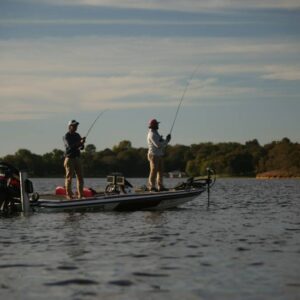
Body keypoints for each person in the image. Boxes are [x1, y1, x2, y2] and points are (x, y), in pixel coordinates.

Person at [63, 120, 86, 199]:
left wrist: (82, 143)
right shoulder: (66, 136)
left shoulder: (77, 135)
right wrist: (80, 142)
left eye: (76, 125)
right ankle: (69, 195)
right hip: (69, 159)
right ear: (69, 126)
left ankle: (81, 195)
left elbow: (81, 147)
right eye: (74, 125)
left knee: (80, 177)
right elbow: (70, 146)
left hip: (77, 158)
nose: (76, 127)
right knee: (69, 178)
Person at [147, 119, 171, 192]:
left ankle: (160, 186)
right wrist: (166, 141)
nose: (158, 125)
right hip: (154, 155)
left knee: (160, 171)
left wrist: (167, 140)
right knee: (153, 171)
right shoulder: (152, 134)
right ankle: (151, 187)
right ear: (153, 125)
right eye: (157, 124)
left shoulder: (156, 133)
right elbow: (158, 145)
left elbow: (161, 142)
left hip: (159, 155)